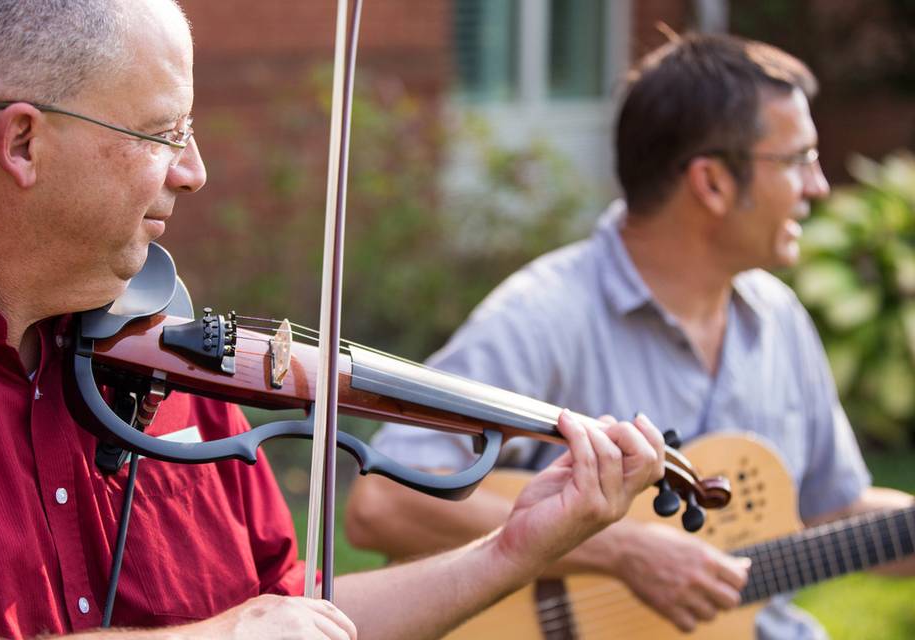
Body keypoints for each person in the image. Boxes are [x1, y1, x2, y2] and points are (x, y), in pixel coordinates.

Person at [0, 1, 668, 638]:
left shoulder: (169, 365)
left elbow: (297, 614)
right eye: (163, 132)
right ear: (24, 144)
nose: (193, 170)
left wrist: (513, 549)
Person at [345, 32, 915, 638]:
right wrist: (623, 553)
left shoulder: (779, 316)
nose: (818, 186)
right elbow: (383, 504)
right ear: (713, 183)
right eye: (799, 159)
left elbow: (834, 509)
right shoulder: (542, 316)